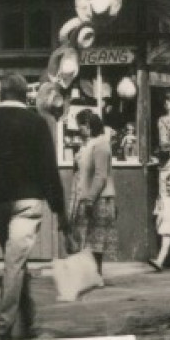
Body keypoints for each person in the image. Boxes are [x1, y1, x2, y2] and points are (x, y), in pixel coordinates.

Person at [0, 73, 69, 340]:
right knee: (15, 263)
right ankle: (3, 329)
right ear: (26, 95)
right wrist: (60, 210)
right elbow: (49, 170)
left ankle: (28, 320)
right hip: (28, 201)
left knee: (14, 261)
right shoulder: (36, 123)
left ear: (1, 93)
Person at [69, 110, 116, 283]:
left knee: (96, 239)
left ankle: (96, 275)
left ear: (88, 125)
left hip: (98, 198)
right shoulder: (87, 145)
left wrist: (90, 198)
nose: (78, 129)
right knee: (84, 237)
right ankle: (88, 275)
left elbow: (101, 175)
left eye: (80, 125)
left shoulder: (101, 144)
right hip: (85, 196)